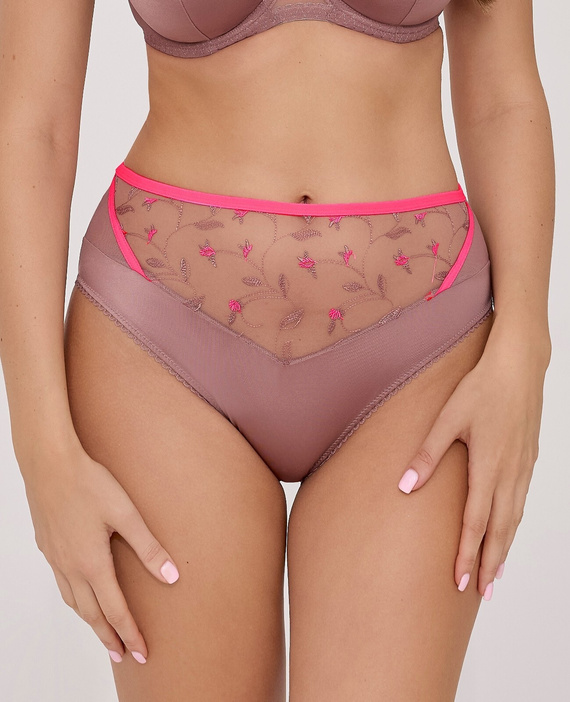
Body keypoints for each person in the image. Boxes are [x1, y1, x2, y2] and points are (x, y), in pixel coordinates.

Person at [0, 0, 554, 699]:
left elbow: (505, 95)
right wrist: (43, 454)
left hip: (424, 354)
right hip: (160, 347)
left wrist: (523, 348)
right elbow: (32, 127)